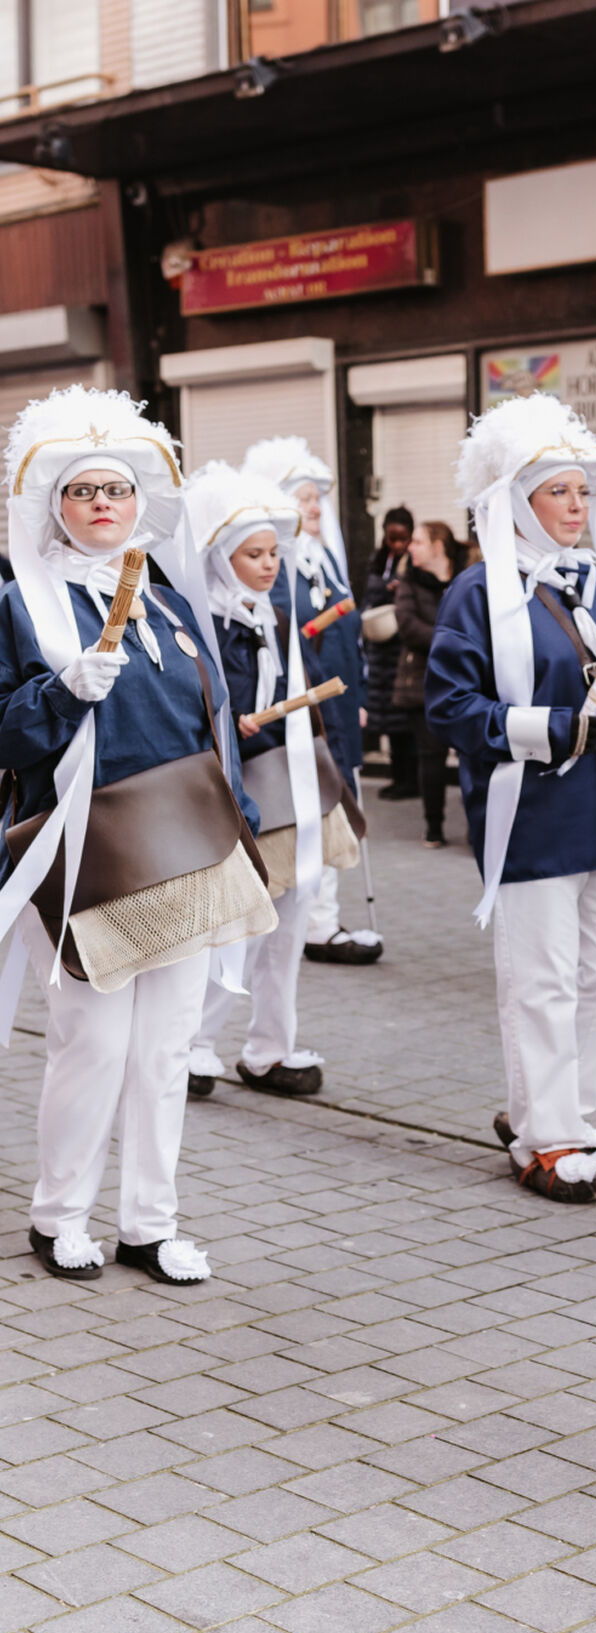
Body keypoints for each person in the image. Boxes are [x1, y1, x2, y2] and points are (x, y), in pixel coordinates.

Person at [0, 386, 271, 1285]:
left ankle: (151, 1223)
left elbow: (210, 725)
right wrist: (57, 691)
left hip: (188, 848)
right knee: (95, 1042)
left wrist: (238, 815)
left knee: (164, 1048)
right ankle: (59, 1212)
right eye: (83, 493)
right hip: (92, 850)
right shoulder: (22, 605)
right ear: (55, 507)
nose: (103, 505)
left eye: (116, 490)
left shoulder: (169, 603)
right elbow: (5, 733)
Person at [425, 393, 596, 1203]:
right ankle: (550, 1135)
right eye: (558, 491)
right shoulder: (477, 590)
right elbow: (450, 709)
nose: (575, 506)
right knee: (542, 978)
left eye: (584, 492)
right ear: (516, 500)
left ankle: (554, 1109)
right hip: (532, 810)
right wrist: (547, 727)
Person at [185, 463, 332, 1100]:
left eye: (274, 551)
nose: (270, 564)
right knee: (232, 925)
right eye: (254, 553)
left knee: (287, 920)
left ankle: (271, 1046)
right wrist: (221, 726)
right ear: (220, 557)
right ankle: (193, 1042)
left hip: (283, 783)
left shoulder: (270, 615)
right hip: (224, 795)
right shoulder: (199, 621)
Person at [244, 436, 381, 966]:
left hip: (340, 708)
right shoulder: (278, 568)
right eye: (303, 498)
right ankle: (316, 923)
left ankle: (324, 916)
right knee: (314, 810)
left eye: (317, 499)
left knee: (338, 808)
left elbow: (349, 642)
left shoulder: (322, 560)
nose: (315, 508)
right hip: (308, 710)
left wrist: (360, 696)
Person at [392, 520, 469, 847]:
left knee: (471, 753)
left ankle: (476, 827)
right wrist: (457, 641)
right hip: (421, 682)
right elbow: (408, 627)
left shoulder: (468, 578)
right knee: (432, 756)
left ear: (439, 546)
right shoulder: (408, 582)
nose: (411, 547)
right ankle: (434, 827)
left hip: (467, 680)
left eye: (418, 542)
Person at [363, 506, 417, 801]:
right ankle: (399, 776)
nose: (397, 545)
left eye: (402, 539)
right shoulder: (378, 558)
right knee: (388, 719)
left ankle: (410, 780)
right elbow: (367, 591)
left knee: (404, 719)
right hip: (379, 647)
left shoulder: (414, 560)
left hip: (401, 648)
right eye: (391, 538)